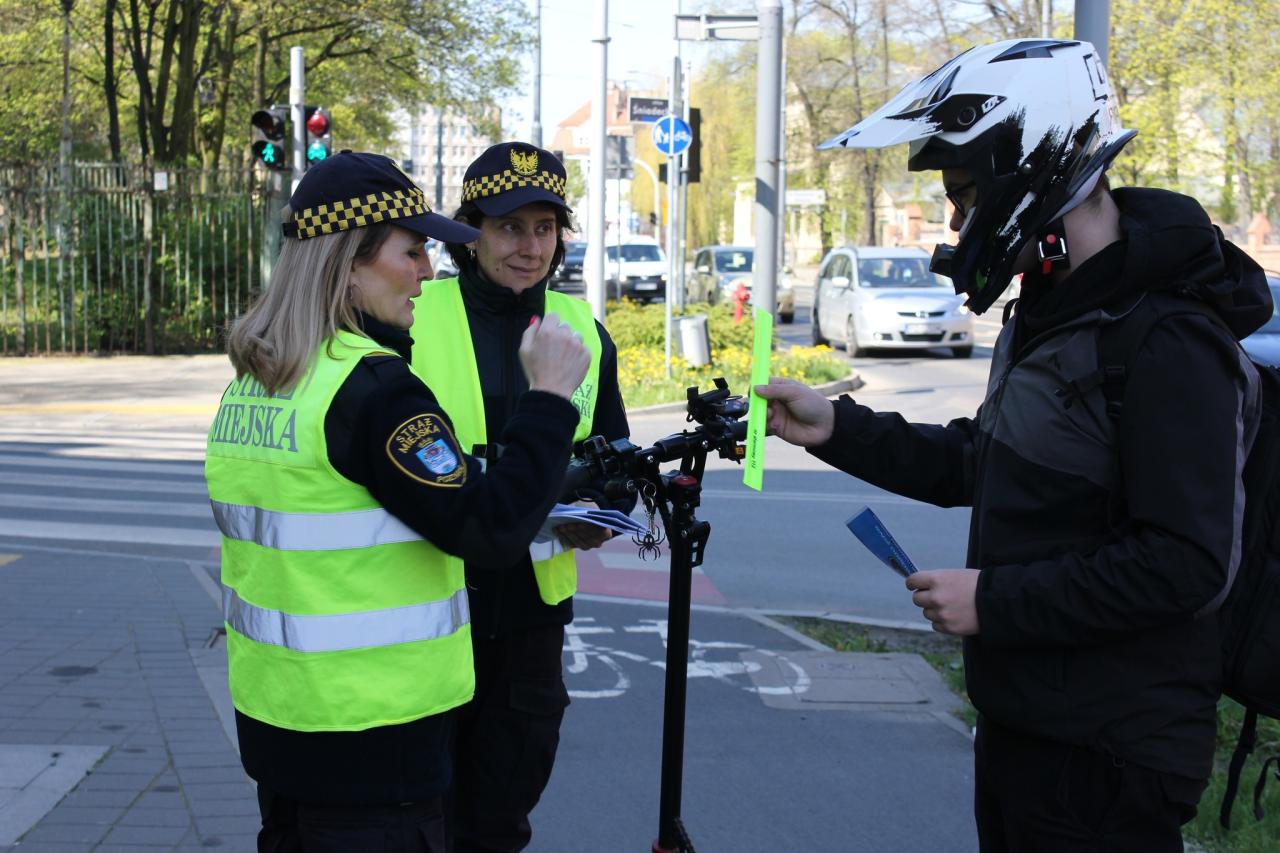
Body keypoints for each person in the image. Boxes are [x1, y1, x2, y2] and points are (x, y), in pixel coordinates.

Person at [757, 39, 1273, 852]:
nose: (956, 223)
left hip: (1108, 756)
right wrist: (838, 428)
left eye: (963, 195)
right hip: (1031, 729)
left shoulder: (1167, 338)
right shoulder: (1056, 309)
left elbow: (1187, 561)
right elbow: (987, 461)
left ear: (1030, 167)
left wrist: (994, 602)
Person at [204, 151, 592, 852]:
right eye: (410, 250)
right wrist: (549, 400)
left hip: (281, 722)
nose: (427, 269)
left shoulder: (256, 384)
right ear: (350, 263)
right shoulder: (373, 390)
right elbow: (491, 526)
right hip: (372, 741)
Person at [408, 141, 630, 853]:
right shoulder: (415, 316)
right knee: (423, 813)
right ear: (470, 231)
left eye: (544, 227)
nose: (530, 246)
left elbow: (613, 455)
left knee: (502, 818)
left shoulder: (582, 329)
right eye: (509, 227)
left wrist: (600, 508)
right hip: (432, 601)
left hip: (532, 616)